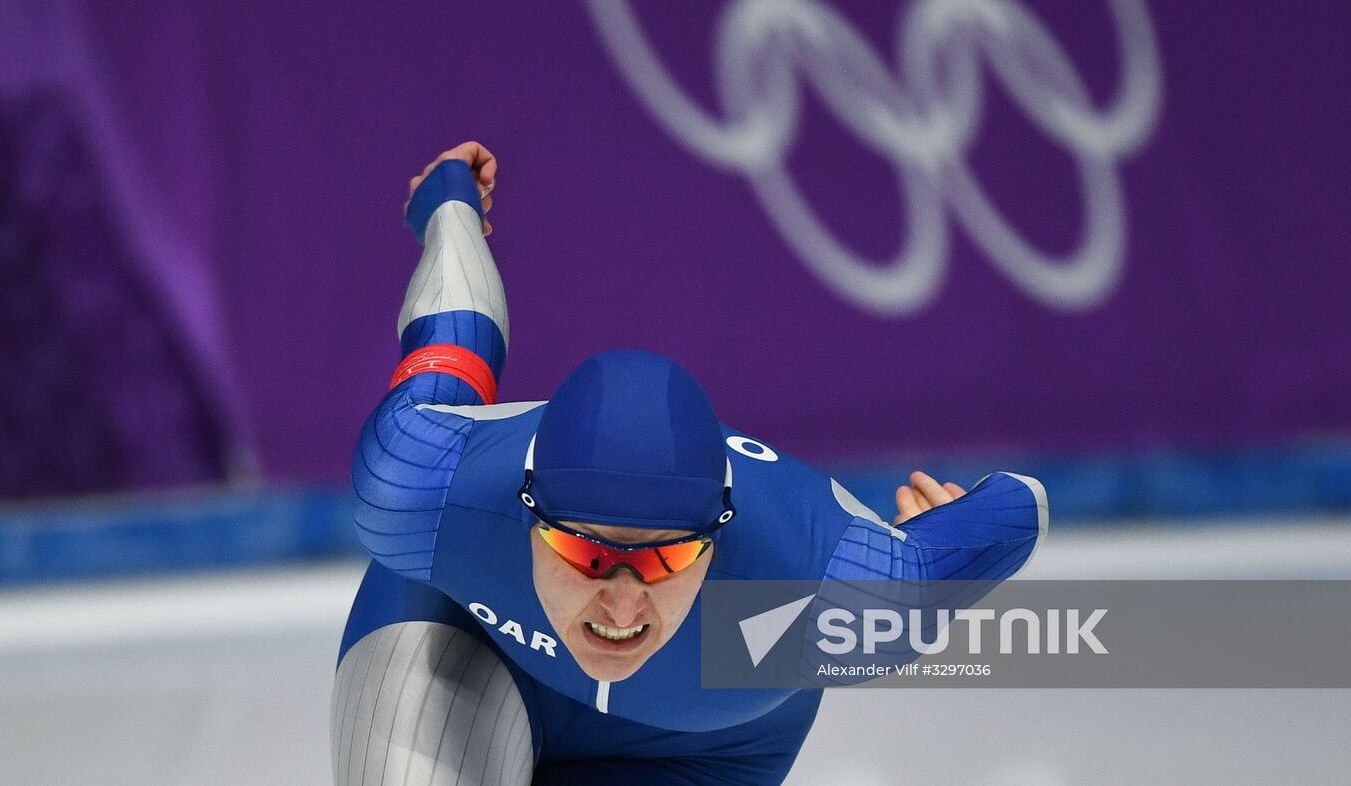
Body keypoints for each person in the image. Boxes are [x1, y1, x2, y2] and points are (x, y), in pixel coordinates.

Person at [332, 141, 1048, 785]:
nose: (619, 605)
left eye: (662, 563)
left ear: (719, 535)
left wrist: (932, 541)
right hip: (473, 656)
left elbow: (1020, 505)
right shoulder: (419, 483)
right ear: (525, 512)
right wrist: (448, 202)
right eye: (581, 552)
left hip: (695, 755)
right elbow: (454, 336)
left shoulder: (839, 593)